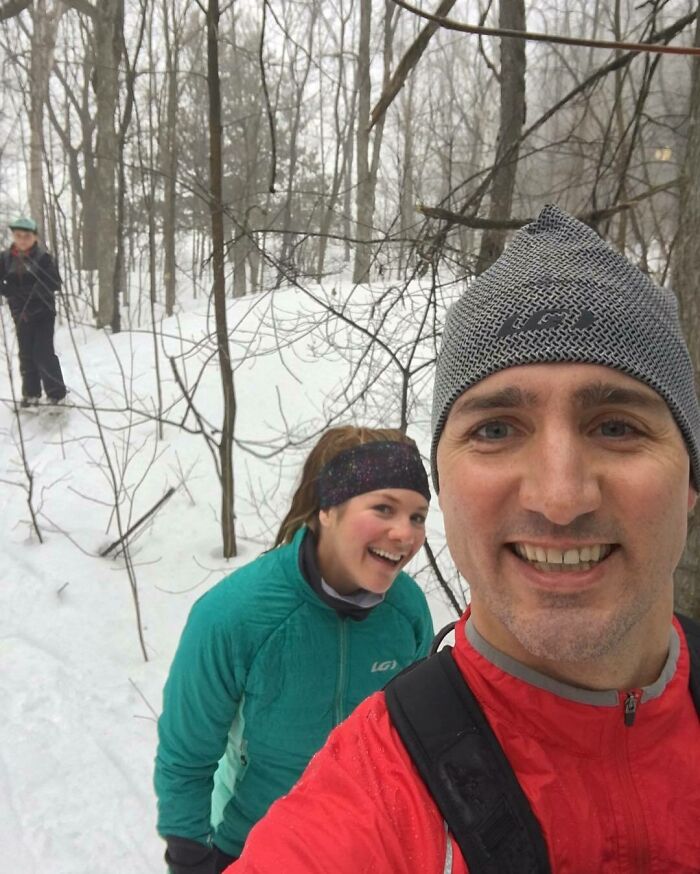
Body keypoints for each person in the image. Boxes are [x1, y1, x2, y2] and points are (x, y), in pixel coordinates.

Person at [224, 204, 700, 873]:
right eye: (497, 429)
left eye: (617, 426)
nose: (560, 499)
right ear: (445, 486)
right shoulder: (367, 806)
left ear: (690, 482)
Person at [154, 426, 434, 874]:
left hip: (366, 846)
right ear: (327, 508)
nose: (405, 534)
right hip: (255, 845)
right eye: (384, 508)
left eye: (418, 516)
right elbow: (187, 755)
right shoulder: (236, 614)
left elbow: (412, 738)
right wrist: (190, 856)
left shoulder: (408, 611)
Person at [0, 217, 67, 406]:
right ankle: (31, 394)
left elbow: (55, 283)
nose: (22, 240)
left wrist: (34, 290)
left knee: (43, 353)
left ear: (35, 237)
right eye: (18, 236)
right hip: (20, 314)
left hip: (43, 313)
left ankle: (56, 395)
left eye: (27, 236)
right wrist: (8, 290)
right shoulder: (5, 258)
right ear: (13, 236)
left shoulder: (43, 257)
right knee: (26, 354)